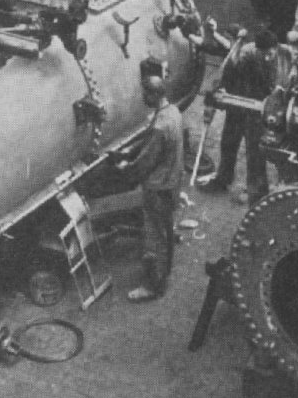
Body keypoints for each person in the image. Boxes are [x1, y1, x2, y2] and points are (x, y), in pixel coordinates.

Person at [113, 58, 185, 302]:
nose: (143, 97)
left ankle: (154, 286)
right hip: (172, 182)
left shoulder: (160, 126)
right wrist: (129, 149)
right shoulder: (172, 112)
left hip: (157, 188)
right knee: (165, 231)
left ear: (154, 94)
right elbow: (151, 137)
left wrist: (124, 168)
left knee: (154, 237)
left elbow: (145, 162)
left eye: (145, 94)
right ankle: (164, 273)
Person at [200, 27, 279, 202]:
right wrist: (221, 90)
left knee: (255, 153)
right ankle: (223, 179)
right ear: (257, 48)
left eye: (270, 53)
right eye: (264, 53)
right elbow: (227, 74)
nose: (268, 57)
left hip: (257, 112)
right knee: (228, 143)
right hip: (237, 105)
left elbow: (272, 87)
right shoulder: (245, 54)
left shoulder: (278, 57)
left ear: (275, 47)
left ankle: (257, 193)